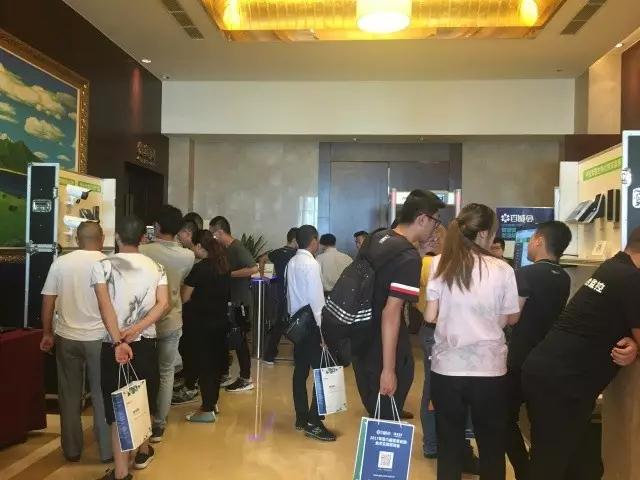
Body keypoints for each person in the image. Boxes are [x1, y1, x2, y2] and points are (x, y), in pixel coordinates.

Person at [522, 227, 640, 480]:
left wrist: (634, 344)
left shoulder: (613, 267)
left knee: (583, 466)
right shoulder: (631, 278)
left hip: (555, 376)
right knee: (551, 464)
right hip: (563, 383)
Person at [425, 203, 520, 480]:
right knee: (491, 444)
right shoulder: (502, 269)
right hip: (489, 369)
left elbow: (430, 315)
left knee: (449, 444)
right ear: (484, 234)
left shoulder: (439, 263)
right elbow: (509, 318)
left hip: (447, 368)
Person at [92, 216, 170, 480]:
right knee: (141, 398)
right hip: (145, 342)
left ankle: (121, 472)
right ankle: (143, 451)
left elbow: (104, 305)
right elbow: (163, 304)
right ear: (142, 238)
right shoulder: (156, 267)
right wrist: (137, 328)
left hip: (113, 345)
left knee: (118, 406)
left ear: (117, 237)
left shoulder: (103, 266)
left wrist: (118, 340)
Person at [357, 190, 445, 421]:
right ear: (422, 219)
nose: (436, 228)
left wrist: (419, 252)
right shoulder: (408, 258)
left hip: (363, 337)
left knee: (379, 410)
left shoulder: (378, 237)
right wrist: (388, 370)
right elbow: (391, 312)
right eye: (436, 222)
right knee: (385, 419)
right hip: (385, 345)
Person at [40, 221, 112, 464]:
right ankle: (106, 451)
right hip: (100, 339)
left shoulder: (61, 263)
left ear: (77, 239)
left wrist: (47, 333)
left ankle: (71, 450)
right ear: (101, 239)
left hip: (67, 337)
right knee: (101, 394)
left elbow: (48, 301)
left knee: (69, 395)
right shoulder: (108, 263)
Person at [505, 221, 572, 480]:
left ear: (539, 241)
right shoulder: (564, 278)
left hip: (520, 357)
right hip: (548, 359)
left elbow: (512, 317)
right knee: (540, 423)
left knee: (504, 418)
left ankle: (524, 470)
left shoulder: (525, 274)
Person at [139, 205, 195, 442]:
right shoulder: (187, 256)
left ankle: (141, 421)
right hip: (171, 319)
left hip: (143, 322)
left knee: (141, 372)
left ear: (157, 226)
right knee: (166, 372)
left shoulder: (142, 250)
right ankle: (159, 424)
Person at [287, 225, 336, 441]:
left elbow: (290, 296)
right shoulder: (311, 264)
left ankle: (301, 417)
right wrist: (323, 332)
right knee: (322, 372)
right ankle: (315, 422)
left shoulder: (292, 262)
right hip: (312, 327)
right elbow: (317, 301)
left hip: (297, 325)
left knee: (300, 371)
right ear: (314, 241)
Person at [181, 230, 231, 423]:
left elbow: (185, 297)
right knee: (215, 365)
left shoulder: (200, 268)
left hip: (201, 324)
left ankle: (207, 409)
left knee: (204, 365)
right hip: (220, 322)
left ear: (200, 246)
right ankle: (212, 402)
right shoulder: (223, 265)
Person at [209, 216, 257, 392]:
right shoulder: (225, 249)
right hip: (230, 301)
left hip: (240, 302)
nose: (213, 238)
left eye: (213, 234)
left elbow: (253, 268)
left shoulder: (237, 247)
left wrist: (229, 275)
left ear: (220, 232)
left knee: (239, 339)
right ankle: (225, 372)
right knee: (227, 337)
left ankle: (245, 378)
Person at [260, 227, 298, 364]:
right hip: (294, 294)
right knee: (296, 323)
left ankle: (270, 355)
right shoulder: (297, 255)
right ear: (294, 240)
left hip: (280, 292)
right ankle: (297, 356)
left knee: (279, 323)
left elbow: (262, 259)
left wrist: (263, 276)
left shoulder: (277, 252)